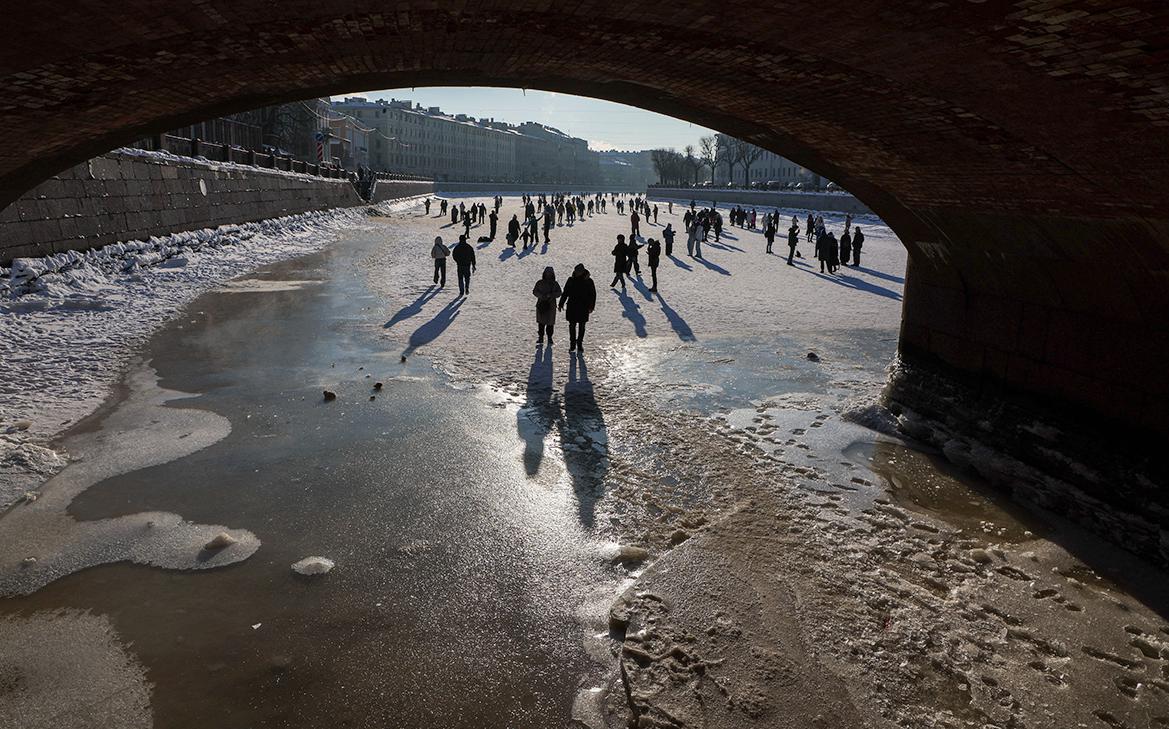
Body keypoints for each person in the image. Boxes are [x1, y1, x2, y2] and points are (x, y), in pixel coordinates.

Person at [559, 263, 597, 353]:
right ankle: (572, 344)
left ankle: (579, 343)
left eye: (579, 271)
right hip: (572, 306)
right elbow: (565, 293)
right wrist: (561, 303)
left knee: (582, 326)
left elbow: (593, 295)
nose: (577, 273)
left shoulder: (588, 281)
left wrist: (591, 306)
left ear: (583, 271)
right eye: (576, 271)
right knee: (572, 326)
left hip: (583, 307)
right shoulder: (571, 280)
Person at [533, 266, 562, 344]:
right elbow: (535, 291)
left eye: (550, 273)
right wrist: (542, 296)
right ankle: (541, 337)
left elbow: (559, 292)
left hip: (551, 306)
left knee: (550, 323)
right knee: (541, 323)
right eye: (547, 273)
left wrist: (551, 295)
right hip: (541, 305)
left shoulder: (555, 284)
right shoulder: (540, 282)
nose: (548, 275)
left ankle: (550, 338)